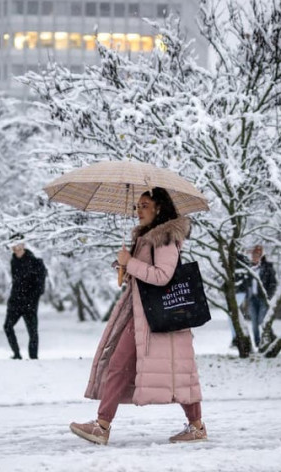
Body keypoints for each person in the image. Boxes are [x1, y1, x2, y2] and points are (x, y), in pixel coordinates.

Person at [69, 187, 206, 446]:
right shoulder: (146, 237)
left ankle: (102, 425)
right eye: (137, 206)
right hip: (145, 315)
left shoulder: (163, 238)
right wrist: (125, 264)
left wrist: (130, 263)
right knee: (171, 369)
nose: (138, 210)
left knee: (131, 366)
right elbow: (147, 273)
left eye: (144, 205)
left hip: (153, 316)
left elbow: (162, 276)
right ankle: (196, 426)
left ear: (159, 208)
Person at [4, 239, 47, 360]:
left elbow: (40, 287)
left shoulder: (36, 262)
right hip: (15, 302)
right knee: (7, 326)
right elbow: (16, 282)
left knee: (32, 331)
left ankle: (33, 357)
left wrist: (31, 300)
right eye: (13, 245)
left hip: (30, 304)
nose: (15, 248)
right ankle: (16, 354)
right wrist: (13, 299)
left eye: (18, 245)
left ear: (23, 245)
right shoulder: (13, 261)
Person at [245, 245, 277, 348]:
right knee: (254, 322)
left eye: (257, 255)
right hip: (252, 298)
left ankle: (270, 338)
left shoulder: (268, 267)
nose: (255, 257)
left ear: (261, 256)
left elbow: (273, 283)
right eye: (254, 255)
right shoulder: (249, 267)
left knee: (262, 320)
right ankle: (258, 344)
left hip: (263, 298)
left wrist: (268, 296)